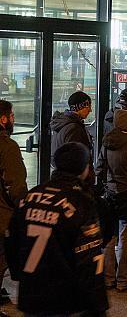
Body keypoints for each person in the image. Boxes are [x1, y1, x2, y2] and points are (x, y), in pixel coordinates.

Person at [6, 142, 108, 315]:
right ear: (83, 168)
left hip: (30, 293)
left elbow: (10, 240)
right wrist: (97, 305)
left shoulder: (30, 197)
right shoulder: (80, 203)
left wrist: (19, 275)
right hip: (63, 297)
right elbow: (90, 259)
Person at [95, 109, 127, 291]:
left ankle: (108, 278)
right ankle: (124, 279)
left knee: (109, 238)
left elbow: (99, 168)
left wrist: (108, 185)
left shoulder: (106, 142)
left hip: (110, 194)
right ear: (126, 124)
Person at [0, 100, 28, 303]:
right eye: (11, 116)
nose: (13, 120)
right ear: (3, 119)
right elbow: (15, 185)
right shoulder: (7, 146)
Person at [49, 90, 94, 163]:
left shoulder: (63, 122)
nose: (90, 110)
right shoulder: (73, 128)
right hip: (74, 172)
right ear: (80, 106)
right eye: (88, 106)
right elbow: (74, 157)